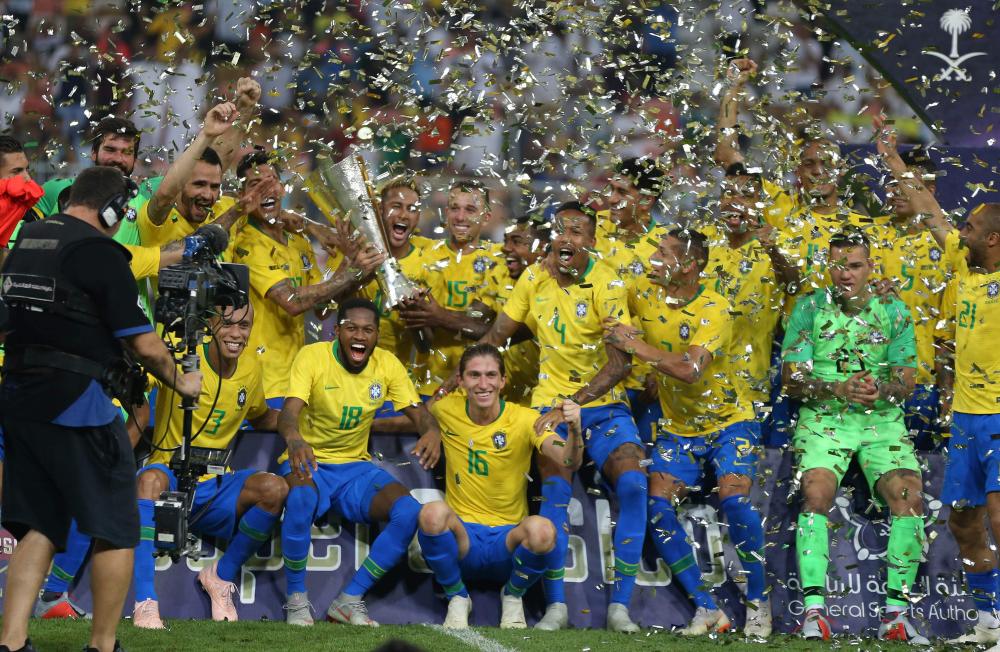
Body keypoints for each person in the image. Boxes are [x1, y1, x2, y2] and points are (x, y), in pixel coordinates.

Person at [0, 166, 201, 652]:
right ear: (110, 209)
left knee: (41, 523)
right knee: (117, 525)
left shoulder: (26, 241)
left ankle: (10, 642)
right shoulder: (100, 252)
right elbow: (146, 344)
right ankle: (104, 645)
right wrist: (183, 382)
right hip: (76, 404)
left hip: (19, 398)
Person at [465, 202, 647, 632]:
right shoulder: (533, 277)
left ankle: (620, 607)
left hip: (602, 405)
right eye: (561, 230)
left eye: (578, 232)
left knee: (635, 484)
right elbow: (497, 335)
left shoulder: (609, 282)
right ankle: (557, 606)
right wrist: (464, 374)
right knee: (554, 497)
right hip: (549, 406)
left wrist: (575, 401)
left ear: (592, 241)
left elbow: (620, 364)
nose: (567, 239)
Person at [604, 228, 770, 637]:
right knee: (657, 509)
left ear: (690, 265)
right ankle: (707, 607)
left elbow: (690, 371)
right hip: (678, 428)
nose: (653, 261)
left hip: (731, 420)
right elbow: (608, 308)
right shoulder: (643, 290)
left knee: (733, 502)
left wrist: (638, 349)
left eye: (663, 254)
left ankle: (759, 601)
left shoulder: (715, 308)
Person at [876, 121, 1000, 645]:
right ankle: (989, 621)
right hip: (967, 419)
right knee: (964, 523)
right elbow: (930, 213)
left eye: (969, 230)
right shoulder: (966, 273)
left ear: (993, 239)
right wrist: (895, 163)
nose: (959, 234)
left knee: (997, 514)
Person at [781, 230, 925, 643]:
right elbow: (793, 380)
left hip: (880, 422)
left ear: (871, 268)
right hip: (826, 417)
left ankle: (895, 616)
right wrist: (837, 390)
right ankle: (814, 612)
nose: (846, 274)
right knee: (816, 494)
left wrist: (884, 391)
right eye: (838, 265)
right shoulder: (809, 308)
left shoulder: (893, 311)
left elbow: (906, 381)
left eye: (855, 266)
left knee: (909, 498)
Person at [278, 298, 442, 626]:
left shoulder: (387, 365)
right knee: (301, 497)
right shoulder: (312, 357)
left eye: (368, 330)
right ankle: (296, 600)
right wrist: (295, 439)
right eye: (351, 327)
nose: (360, 335)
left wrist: (432, 431)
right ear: (337, 331)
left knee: (409, 512)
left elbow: (420, 415)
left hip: (356, 469)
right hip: (311, 462)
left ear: (377, 336)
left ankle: (350, 599)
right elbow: (288, 414)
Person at [130, 301, 284, 629]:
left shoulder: (251, 369)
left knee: (275, 488)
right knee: (147, 483)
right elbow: (142, 368)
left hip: (216, 485)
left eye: (244, 326)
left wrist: (299, 424)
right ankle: (145, 601)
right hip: (169, 474)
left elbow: (261, 416)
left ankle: (221, 577)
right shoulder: (183, 357)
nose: (237, 333)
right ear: (210, 325)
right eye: (227, 324)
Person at [419, 344, 583, 629]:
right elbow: (423, 413)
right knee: (431, 514)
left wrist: (576, 430)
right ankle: (457, 597)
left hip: (507, 543)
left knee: (543, 530)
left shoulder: (526, 420)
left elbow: (568, 459)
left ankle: (513, 595)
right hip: (464, 541)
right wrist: (431, 429)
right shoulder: (445, 410)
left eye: (491, 375)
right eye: (474, 375)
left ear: (503, 381)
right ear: (460, 380)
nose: (483, 384)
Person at [228, 150, 384, 406]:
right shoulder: (248, 243)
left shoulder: (298, 240)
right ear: (243, 196)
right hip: (260, 383)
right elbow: (292, 301)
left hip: (293, 380)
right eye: (256, 184)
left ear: (282, 187)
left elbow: (321, 309)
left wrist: (355, 268)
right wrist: (349, 274)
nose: (266, 189)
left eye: (272, 181)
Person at [396, 214, 548, 406]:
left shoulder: (550, 287)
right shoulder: (500, 273)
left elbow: (503, 335)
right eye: (506, 240)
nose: (506, 248)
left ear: (542, 248)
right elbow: (474, 318)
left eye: (516, 242)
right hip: (494, 396)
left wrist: (440, 316)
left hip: (536, 399)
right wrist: (425, 313)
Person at [703, 165, 799, 440]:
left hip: (748, 385)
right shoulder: (702, 239)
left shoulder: (776, 244)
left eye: (745, 195)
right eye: (728, 193)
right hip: (695, 381)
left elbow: (794, 285)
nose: (734, 201)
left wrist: (773, 250)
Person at [400, 179, 506, 399]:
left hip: (482, 390)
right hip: (429, 387)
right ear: (446, 212)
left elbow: (488, 329)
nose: (460, 217)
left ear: (486, 217)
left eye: (470, 210)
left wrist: (437, 316)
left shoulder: (499, 258)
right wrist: (413, 316)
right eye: (455, 209)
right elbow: (423, 342)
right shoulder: (424, 255)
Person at [875, 149, 949, 450]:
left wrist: (947, 395)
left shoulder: (948, 246)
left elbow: (951, 330)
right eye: (891, 183)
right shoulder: (867, 236)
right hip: (871, 381)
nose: (896, 190)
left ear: (928, 191)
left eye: (903, 183)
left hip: (924, 383)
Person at [593, 157, 671, 442]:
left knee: (638, 472)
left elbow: (670, 313)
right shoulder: (590, 229)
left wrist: (660, 371)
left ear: (647, 200)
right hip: (589, 374)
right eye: (611, 189)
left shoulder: (665, 247)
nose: (611, 199)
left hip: (641, 380)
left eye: (622, 192)